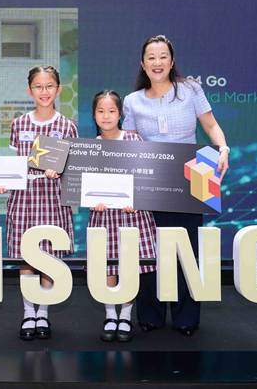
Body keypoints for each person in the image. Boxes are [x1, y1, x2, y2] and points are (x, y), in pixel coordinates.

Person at [122, 34, 229, 337]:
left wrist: (223, 148)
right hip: (149, 182)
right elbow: (128, 142)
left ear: (171, 61)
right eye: (151, 57)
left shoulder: (191, 89)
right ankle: (150, 314)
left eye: (163, 56)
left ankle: (186, 317)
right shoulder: (132, 101)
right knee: (149, 250)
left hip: (192, 179)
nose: (157, 62)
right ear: (143, 63)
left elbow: (210, 125)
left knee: (187, 250)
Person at [0, 66, 77, 341]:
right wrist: (1, 180)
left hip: (53, 199)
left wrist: (61, 172)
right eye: (39, 87)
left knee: (49, 258)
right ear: (30, 91)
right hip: (24, 199)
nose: (44, 91)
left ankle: (43, 313)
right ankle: (28, 312)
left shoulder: (67, 126)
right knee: (26, 258)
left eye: (49, 86)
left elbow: (73, 169)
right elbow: (16, 164)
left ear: (58, 89)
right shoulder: (19, 124)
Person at [88, 90, 157, 343]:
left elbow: (147, 176)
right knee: (108, 265)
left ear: (120, 114)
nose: (106, 116)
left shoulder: (134, 139)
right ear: (94, 115)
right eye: (101, 111)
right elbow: (85, 183)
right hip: (103, 216)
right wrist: (92, 200)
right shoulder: (91, 147)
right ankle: (110, 315)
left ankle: (125, 316)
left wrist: (137, 199)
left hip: (133, 215)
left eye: (111, 111)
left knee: (130, 266)